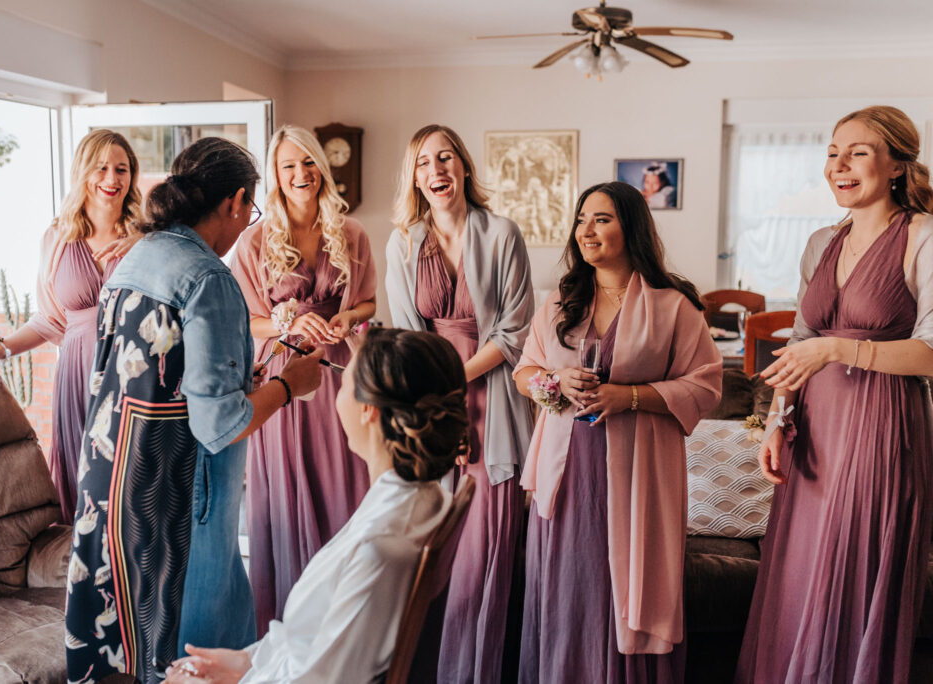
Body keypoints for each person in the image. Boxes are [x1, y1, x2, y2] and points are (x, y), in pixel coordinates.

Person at [63, 137, 323, 684]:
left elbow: (151, 374)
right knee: (200, 659)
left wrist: (240, 380)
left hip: (110, 486)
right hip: (179, 497)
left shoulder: (134, 259)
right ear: (234, 202)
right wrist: (289, 385)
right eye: (249, 210)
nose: (246, 223)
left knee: (130, 650)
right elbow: (222, 425)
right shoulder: (209, 278)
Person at [736, 106, 933, 683]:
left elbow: (931, 351)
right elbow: (800, 341)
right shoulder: (821, 240)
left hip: (882, 425)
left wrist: (837, 349)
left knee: (854, 569)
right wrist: (777, 421)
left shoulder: (923, 236)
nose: (839, 166)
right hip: (814, 431)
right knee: (799, 574)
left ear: (896, 165)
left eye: (858, 153)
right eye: (832, 153)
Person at [162, 328, 468, 684]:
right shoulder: (425, 499)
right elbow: (312, 643)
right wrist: (245, 661)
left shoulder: (380, 547)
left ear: (368, 410)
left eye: (345, 381)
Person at [514, 181, 722, 683]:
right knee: (571, 584)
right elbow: (524, 373)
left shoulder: (674, 307)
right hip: (568, 475)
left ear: (631, 227)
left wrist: (628, 397)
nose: (587, 230)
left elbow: (705, 385)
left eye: (602, 219)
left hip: (639, 474)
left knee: (630, 581)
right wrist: (554, 380)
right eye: (581, 220)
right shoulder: (560, 303)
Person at [386, 123, 534, 683]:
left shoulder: (501, 234)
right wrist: (436, 395)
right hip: (431, 405)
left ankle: (478, 670)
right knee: (431, 545)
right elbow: (407, 334)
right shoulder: (402, 244)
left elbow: (514, 333)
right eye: (423, 163)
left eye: (445, 158)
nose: (436, 170)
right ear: (414, 178)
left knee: (484, 549)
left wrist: (455, 379)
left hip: (492, 401)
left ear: (464, 167)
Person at [0, 129, 144, 522]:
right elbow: (49, 319)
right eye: (101, 168)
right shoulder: (57, 238)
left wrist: (143, 243)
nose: (112, 179)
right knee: (83, 489)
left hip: (133, 375)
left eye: (122, 169)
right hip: (77, 377)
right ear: (83, 172)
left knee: (132, 490)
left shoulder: (148, 238)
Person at [230, 124, 376, 635]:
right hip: (284, 375)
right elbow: (247, 320)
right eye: (288, 165)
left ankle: (348, 624)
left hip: (338, 374)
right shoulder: (253, 240)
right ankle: (290, 630)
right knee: (288, 496)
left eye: (308, 162)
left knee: (344, 485)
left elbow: (367, 303)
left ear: (322, 167)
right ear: (275, 173)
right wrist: (288, 323)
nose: (300, 174)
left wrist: (346, 318)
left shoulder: (350, 232)